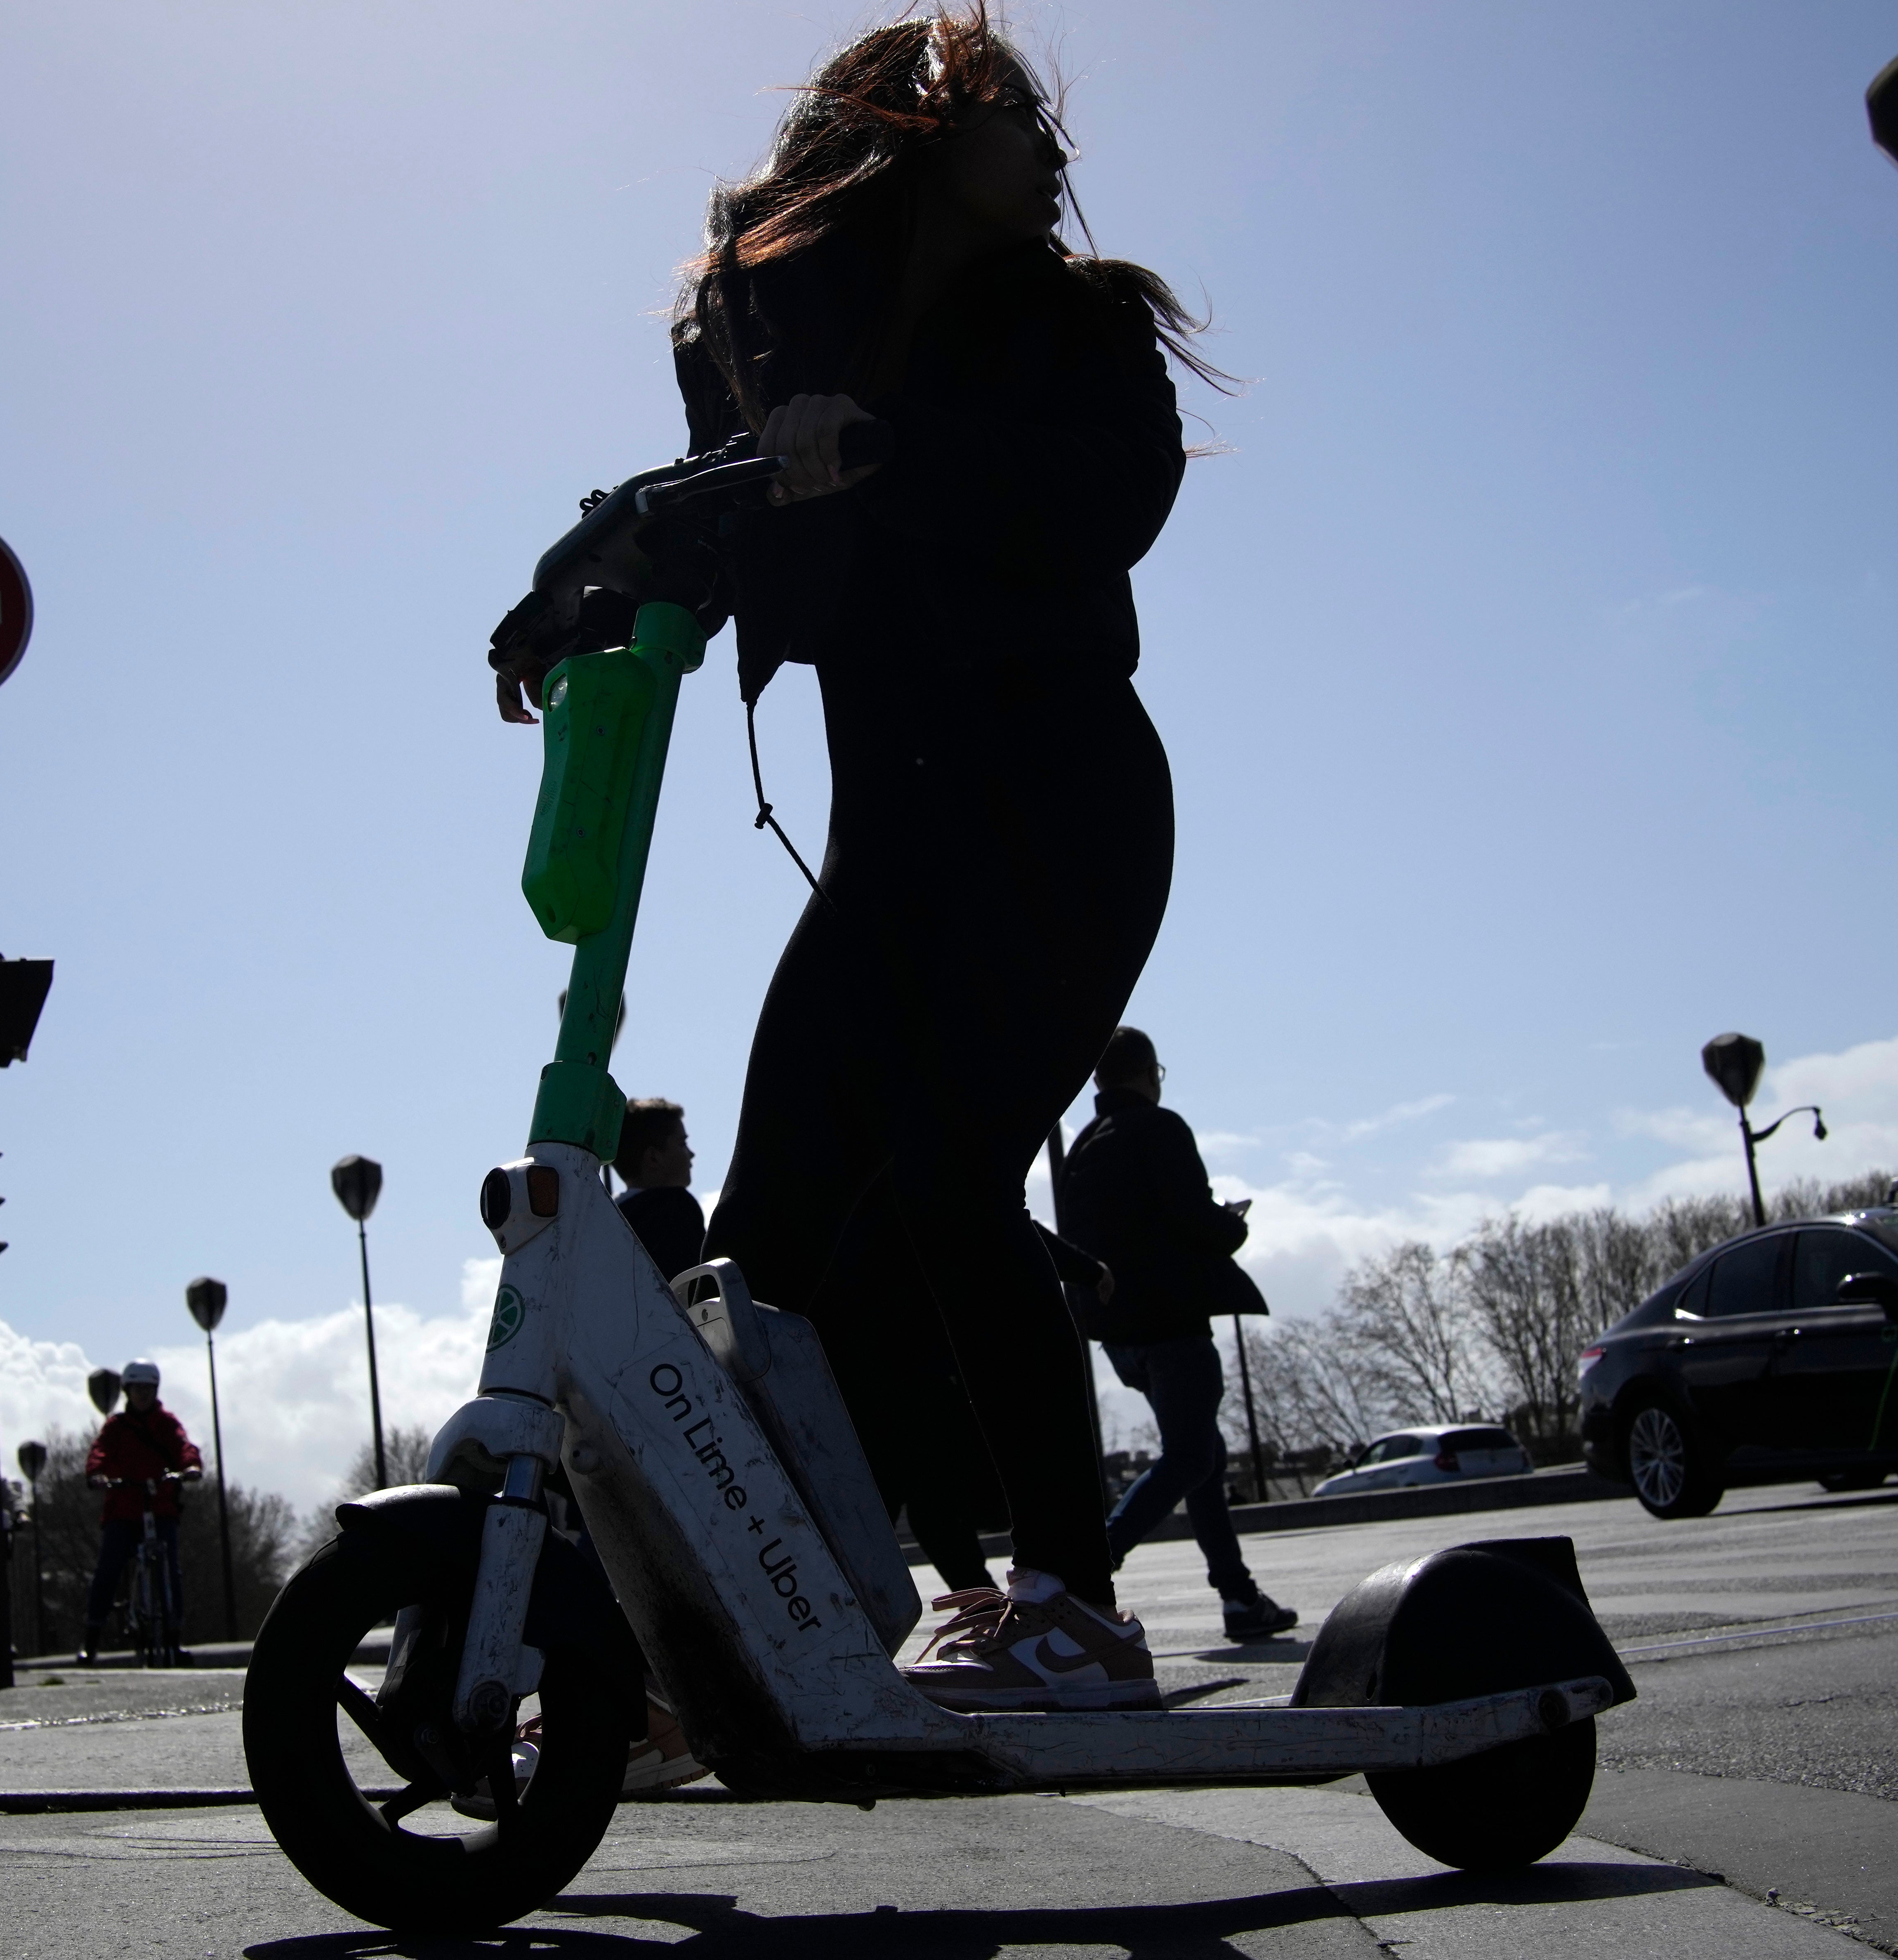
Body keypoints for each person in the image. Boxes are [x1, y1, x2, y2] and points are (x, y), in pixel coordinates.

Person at [500, 12, 1220, 1713]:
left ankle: (1075, 1605)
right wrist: (579, 590)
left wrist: (888, 454)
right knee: (766, 1239)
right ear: (914, 139)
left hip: (1061, 805)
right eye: (1016, 115)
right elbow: (706, 524)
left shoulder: (1080, 325)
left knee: (952, 1174)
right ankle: (774, 1603)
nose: (1052, 145)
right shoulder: (788, 359)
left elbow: (1108, 498)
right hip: (891, 833)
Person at [1057, 1027, 1300, 1642]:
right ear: (1149, 1073)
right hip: (1172, 1324)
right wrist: (1231, 1224)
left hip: (1119, 1335)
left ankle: (1239, 1597)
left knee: (1204, 1459)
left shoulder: (1082, 1144)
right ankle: (1089, 1565)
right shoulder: (1160, 1127)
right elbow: (1191, 1217)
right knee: (1191, 1457)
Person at [82, 1358, 204, 1663]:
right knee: (108, 1569)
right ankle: (91, 1641)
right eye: (137, 1389)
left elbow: (184, 1446)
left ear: (156, 1390)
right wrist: (96, 1473)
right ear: (127, 1391)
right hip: (122, 1510)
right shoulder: (116, 1427)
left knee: (170, 1569)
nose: (142, 1395)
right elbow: (99, 1451)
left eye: (148, 1389)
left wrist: (190, 1466)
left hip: (160, 1506)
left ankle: (174, 1638)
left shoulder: (167, 1423)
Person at [613, 1098, 707, 1281]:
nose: (691, 1154)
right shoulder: (676, 1206)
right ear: (654, 1158)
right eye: (682, 1143)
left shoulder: (608, 1219)